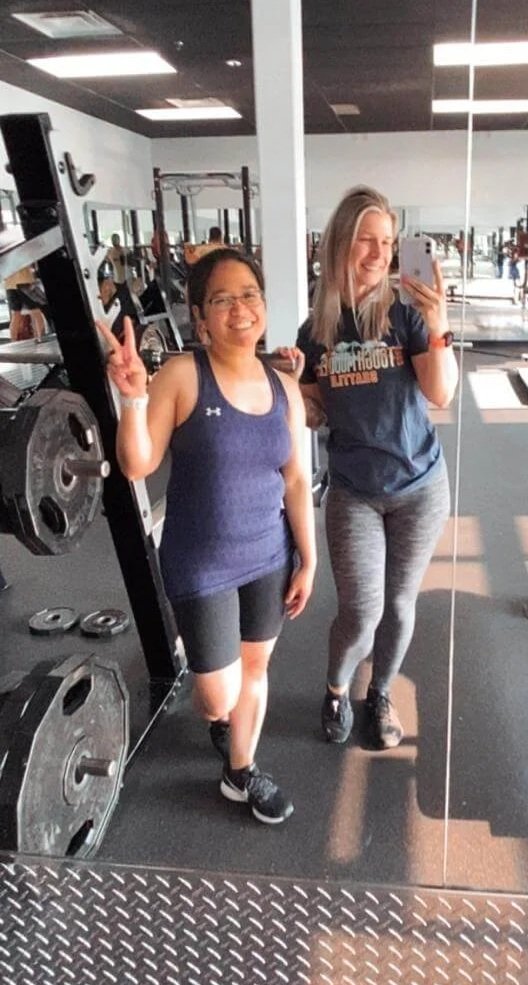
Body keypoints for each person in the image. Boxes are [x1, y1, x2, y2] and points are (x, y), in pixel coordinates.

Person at [99, 247, 316, 824]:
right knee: (218, 697)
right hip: (202, 563)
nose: (239, 308)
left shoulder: (285, 389)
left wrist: (309, 559)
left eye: (249, 295)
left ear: (263, 306)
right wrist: (131, 396)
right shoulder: (182, 376)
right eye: (222, 299)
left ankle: (240, 772)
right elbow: (136, 463)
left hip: (269, 554)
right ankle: (224, 723)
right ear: (200, 317)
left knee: (255, 671)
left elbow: (296, 480)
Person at [294, 185, 458, 750]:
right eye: (366, 239)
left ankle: (380, 691)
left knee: (398, 604)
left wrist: (438, 326)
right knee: (360, 612)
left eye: (387, 242)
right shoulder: (315, 333)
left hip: (419, 486)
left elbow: (440, 393)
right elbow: (314, 412)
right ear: (340, 242)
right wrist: (292, 387)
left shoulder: (407, 315)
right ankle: (338, 687)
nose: (378, 253)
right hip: (355, 492)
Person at [3, 265, 46, 341]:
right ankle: (41, 339)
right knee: (36, 312)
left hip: (9, 285)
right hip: (24, 281)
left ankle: (13, 342)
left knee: (16, 315)